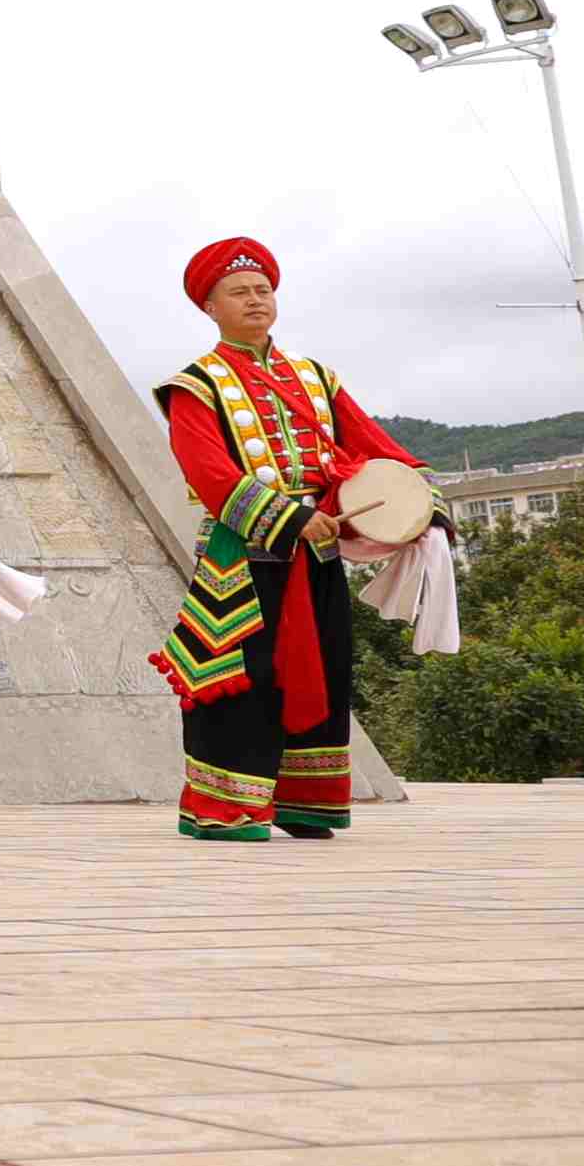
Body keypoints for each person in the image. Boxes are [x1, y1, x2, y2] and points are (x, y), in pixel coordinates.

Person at [148, 241, 424, 842]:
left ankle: (308, 804)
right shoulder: (194, 386)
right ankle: (227, 808)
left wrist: (420, 498)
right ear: (210, 307)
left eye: (263, 290)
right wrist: (289, 517)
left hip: (319, 553)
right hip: (240, 558)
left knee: (322, 669)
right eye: (240, 292)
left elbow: (369, 443)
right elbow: (209, 473)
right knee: (240, 679)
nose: (256, 300)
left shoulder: (315, 378)